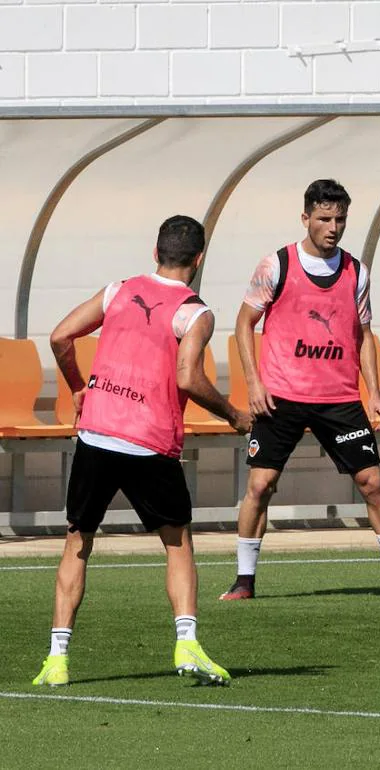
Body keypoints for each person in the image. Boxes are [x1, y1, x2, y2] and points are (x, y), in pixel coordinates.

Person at [32, 215, 251, 687]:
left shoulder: (118, 290)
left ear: (155, 253)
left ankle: (57, 660)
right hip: (149, 442)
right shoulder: (195, 312)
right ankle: (187, 644)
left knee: (78, 542)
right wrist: (234, 414)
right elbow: (187, 378)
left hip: (96, 435)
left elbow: (59, 337)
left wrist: (76, 388)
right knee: (177, 543)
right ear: (198, 259)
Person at [219, 179, 380, 602]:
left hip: (339, 398)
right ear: (305, 217)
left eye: (340, 219)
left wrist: (374, 393)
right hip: (281, 396)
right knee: (260, 486)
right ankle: (243, 581)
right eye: (324, 218)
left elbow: (364, 336)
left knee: (373, 484)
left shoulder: (356, 271)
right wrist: (254, 383)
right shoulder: (276, 265)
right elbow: (242, 324)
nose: (333, 227)